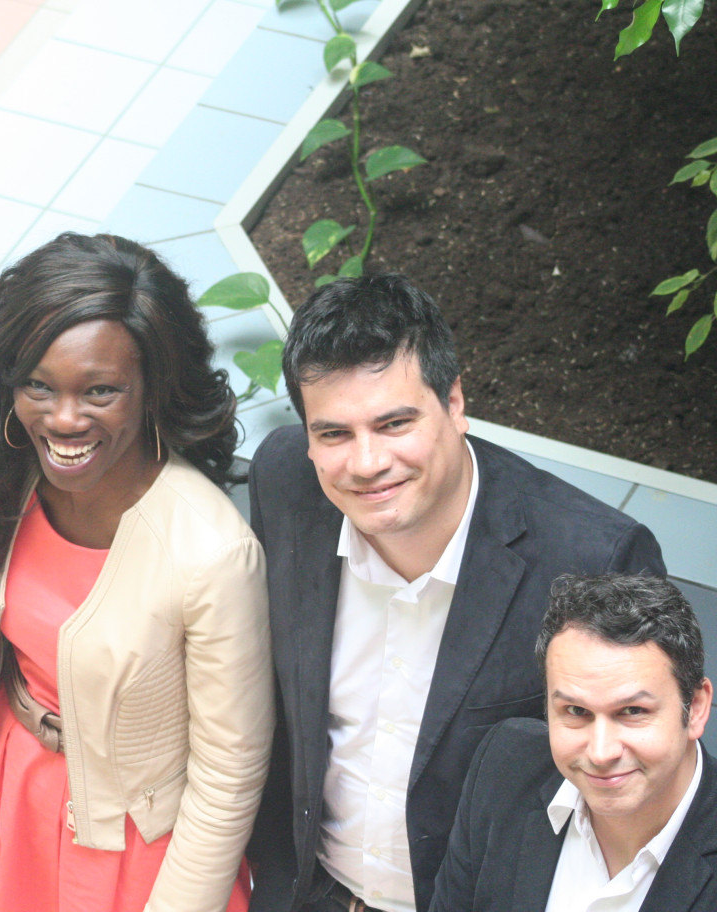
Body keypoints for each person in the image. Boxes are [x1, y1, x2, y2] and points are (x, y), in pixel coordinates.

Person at [246, 274, 667, 912]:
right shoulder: (286, 480)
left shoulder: (592, 559)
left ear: (455, 402)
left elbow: (645, 785)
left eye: (394, 423)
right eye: (333, 433)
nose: (365, 463)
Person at [0, 232, 273, 912]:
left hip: (137, 853)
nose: (64, 420)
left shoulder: (213, 552)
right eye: (38, 387)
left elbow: (228, 777)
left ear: (153, 386)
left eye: (101, 391)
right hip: (8, 796)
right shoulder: (10, 476)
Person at [432, 573, 716, 912]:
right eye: (576, 711)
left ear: (696, 708)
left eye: (632, 711)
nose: (600, 752)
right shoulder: (503, 770)